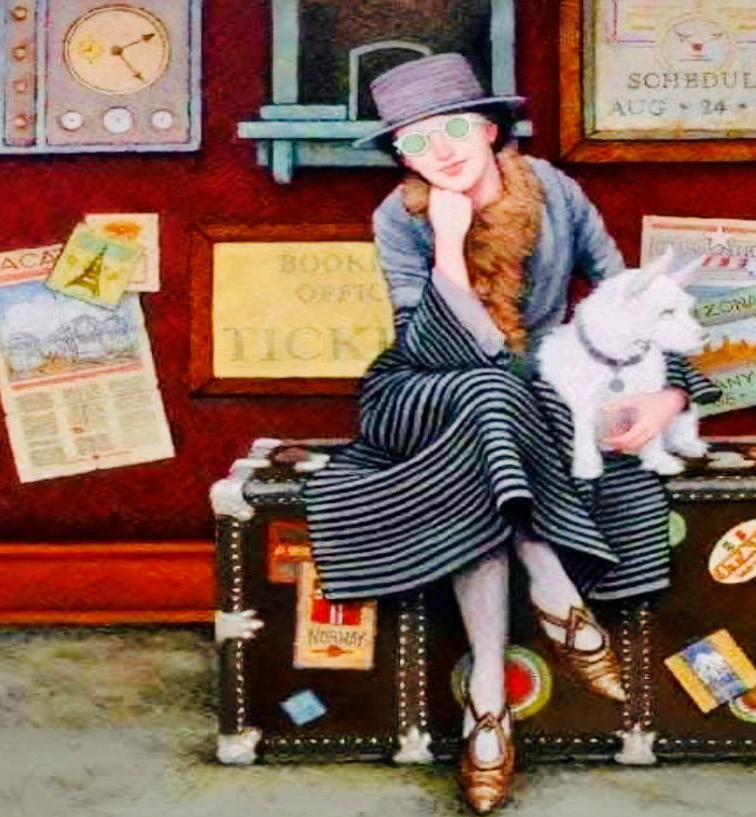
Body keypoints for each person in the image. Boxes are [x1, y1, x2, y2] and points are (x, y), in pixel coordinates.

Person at [304, 53, 719, 813]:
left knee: (496, 411)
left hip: (525, 395)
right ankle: (560, 600)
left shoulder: (554, 191)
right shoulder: (400, 216)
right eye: (415, 142)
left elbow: (627, 293)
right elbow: (440, 345)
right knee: (490, 391)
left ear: (490, 130)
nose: (440, 152)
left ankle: (487, 708)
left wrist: (668, 391)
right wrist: (448, 247)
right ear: (401, 156)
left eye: (455, 129)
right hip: (419, 392)